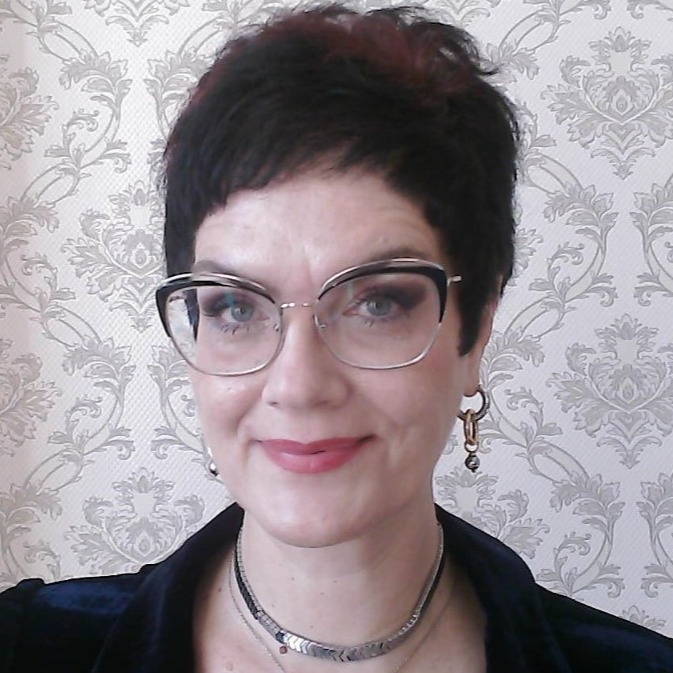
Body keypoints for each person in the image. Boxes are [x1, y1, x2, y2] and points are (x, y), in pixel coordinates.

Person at [1, 4, 672, 672]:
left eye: (377, 302)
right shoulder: (29, 644)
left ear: (476, 331)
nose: (298, 385)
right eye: (235, 306)